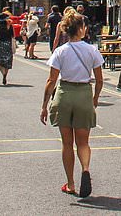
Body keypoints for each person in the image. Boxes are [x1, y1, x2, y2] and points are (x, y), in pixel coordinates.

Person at [41, 12, 103, 198]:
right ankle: (85, 169)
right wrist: (95, 98)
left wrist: (44, 105)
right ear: (81, 29)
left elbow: (51, 80)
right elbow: (99, 80)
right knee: (83, 142)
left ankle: (70, 183)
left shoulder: (60, 51)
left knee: (67, 144)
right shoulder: (92, 50)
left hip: (64, 94)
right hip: (84, 93)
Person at [0, 11, 15, 85]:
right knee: (7, 61)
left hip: (1, 44)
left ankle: (3, 74)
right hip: (9, 44)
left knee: (1, 62)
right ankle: (5, 75)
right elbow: (13, 35)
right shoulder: (10, 25)